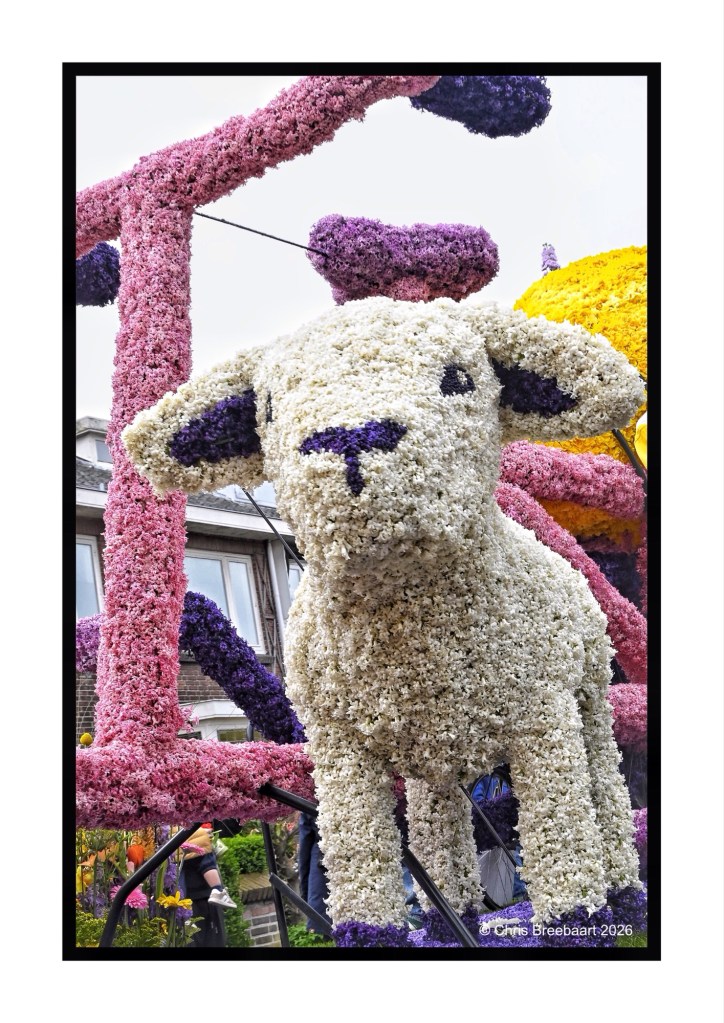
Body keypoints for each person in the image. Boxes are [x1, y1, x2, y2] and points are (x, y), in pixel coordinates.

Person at [179, 824, 237, 948]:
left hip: (191, 896)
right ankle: (218, 891)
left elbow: (232, 826)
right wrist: (201, 832)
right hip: (200, 896)